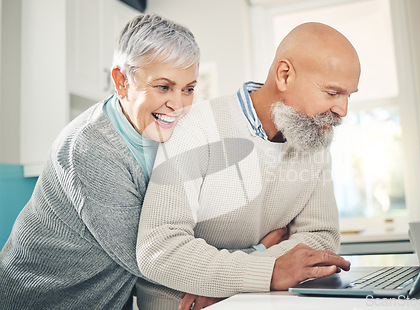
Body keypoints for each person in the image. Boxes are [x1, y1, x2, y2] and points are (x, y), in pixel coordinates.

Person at [136, 22, 361, 309]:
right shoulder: (196, 126)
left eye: (349, 95)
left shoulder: (314, 134)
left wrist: (243, 279)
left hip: (260, 300)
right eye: (332, 93)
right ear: (284, 75)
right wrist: (268, 271)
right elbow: (159, 248)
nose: (343, 110)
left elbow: (321, 238)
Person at [0, 14, 201, 309]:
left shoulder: (161, 133)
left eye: (188, 89)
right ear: (121, 81)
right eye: (163, 87)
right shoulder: (92, 149)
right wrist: (256, 255)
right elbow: (153, 256)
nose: (179, 104)